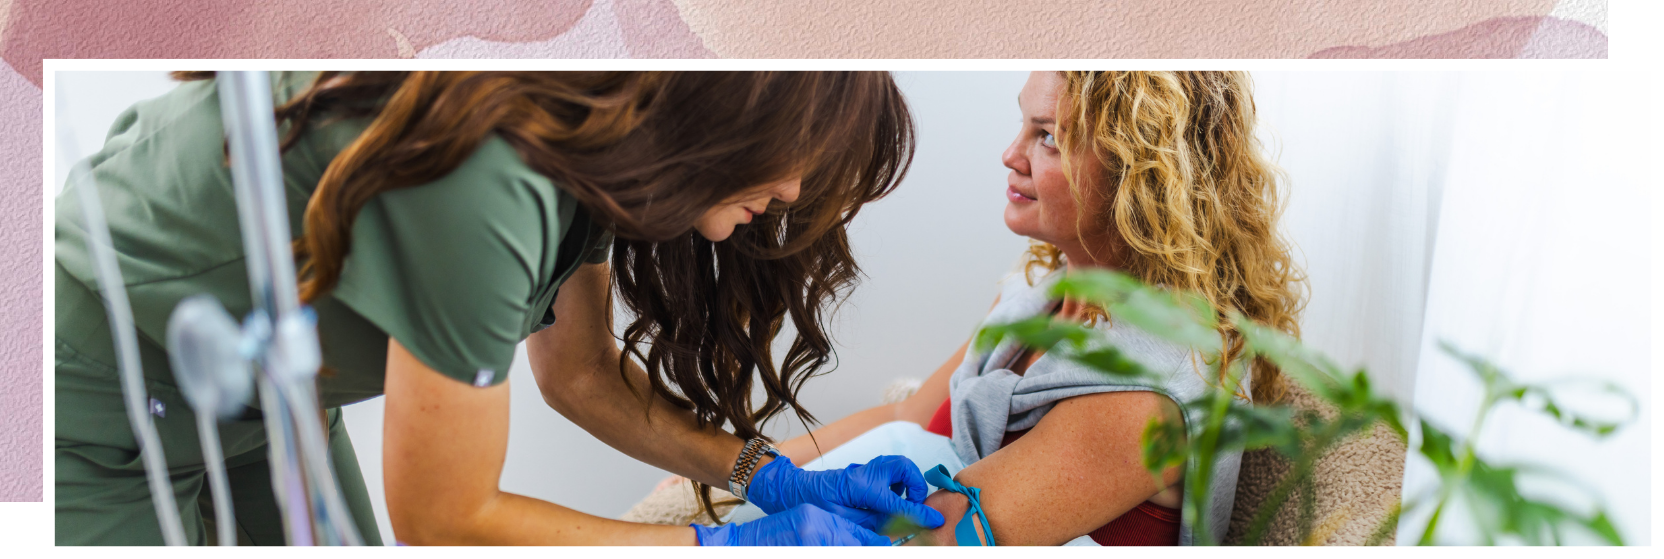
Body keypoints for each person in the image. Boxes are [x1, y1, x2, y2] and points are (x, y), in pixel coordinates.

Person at [54, 70, 943, 546]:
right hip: (86, 398)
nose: (790, 192)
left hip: (275, 402)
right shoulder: (487, 178)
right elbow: (443, 519)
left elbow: (583, 373)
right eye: (797, 159)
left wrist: (765, 471)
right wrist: (727, 549)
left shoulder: (591, 161)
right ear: (731, 102)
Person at [768, 70, 1306, 545]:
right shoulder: (1032, 298)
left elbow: (928, 537)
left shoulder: (1148, 391)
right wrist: (750, 471)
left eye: (1047, 137)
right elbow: (904, 415)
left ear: (1141, 175)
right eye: (1023, 124)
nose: (1010, 154)